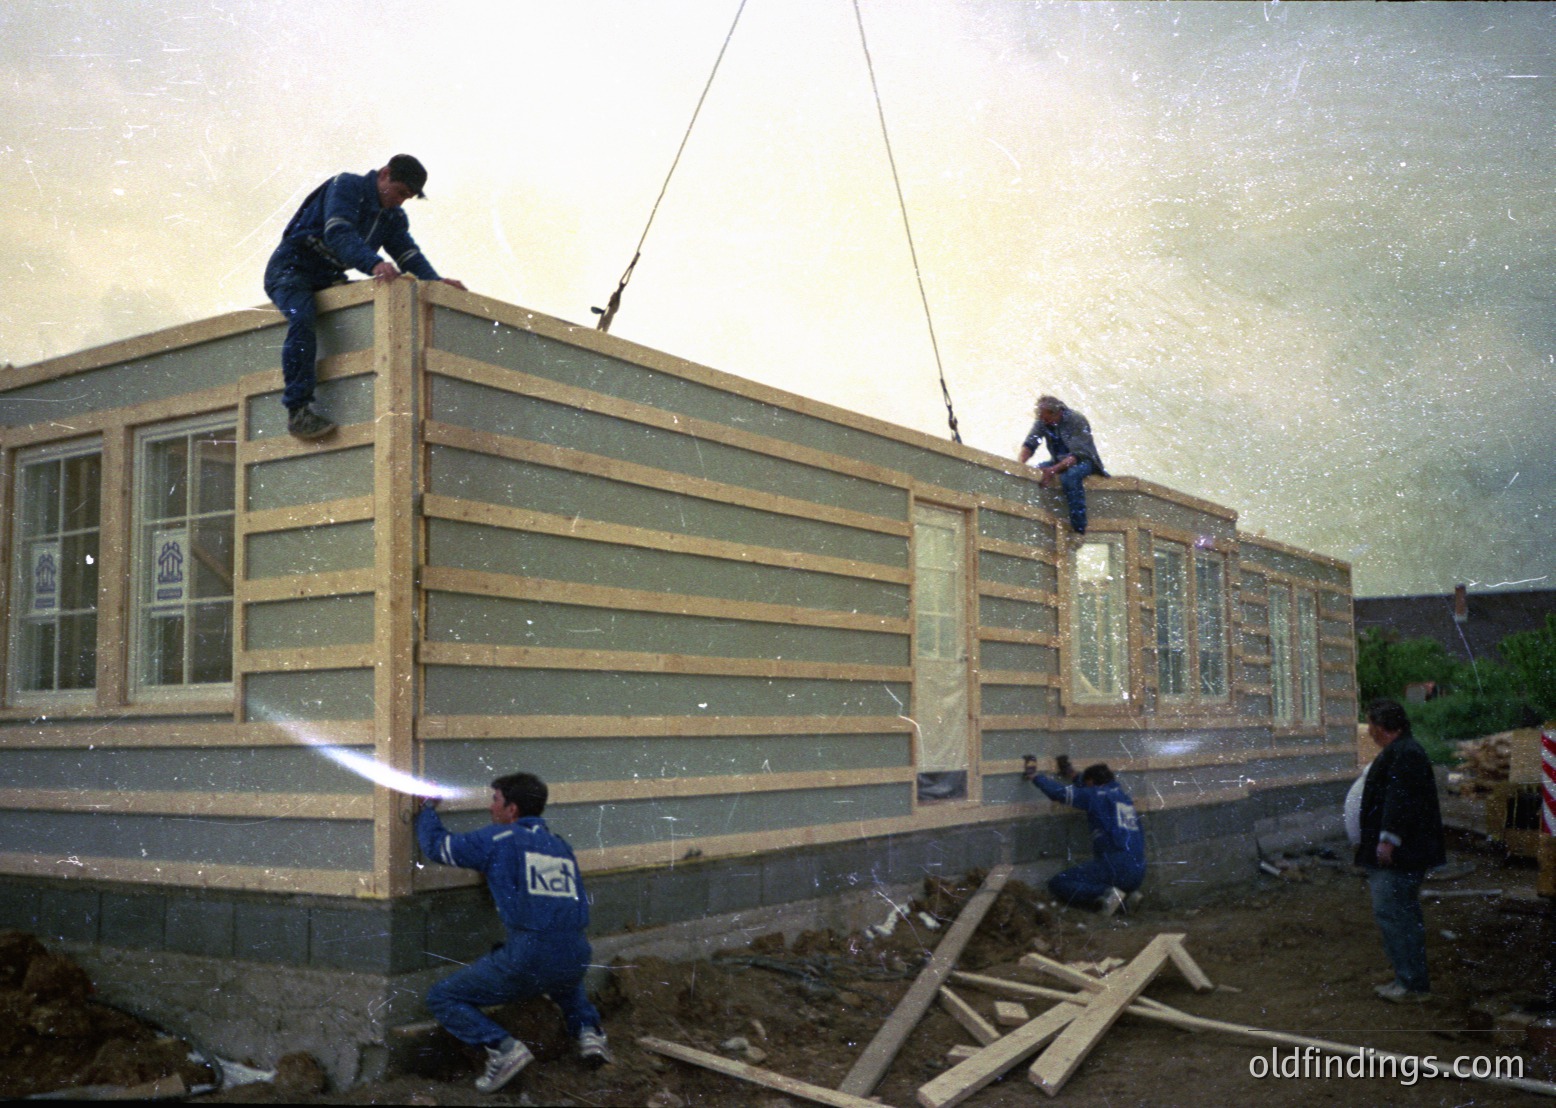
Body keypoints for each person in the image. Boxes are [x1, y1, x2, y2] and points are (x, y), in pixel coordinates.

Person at [415, 773, 609, 1094]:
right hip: (576, 952)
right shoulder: (561, 846)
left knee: (443, 997)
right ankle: (590, 1033)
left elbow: (438, 846)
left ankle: (502, 1048)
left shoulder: (499, 839)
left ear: (512, 809)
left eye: (495, 800)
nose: (491, 808)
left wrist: (427, 809)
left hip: (528, 955)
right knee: (562, 979)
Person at [264, 155, 466, 440]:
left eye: (407, 197)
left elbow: (407, 253)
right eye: (400, 193)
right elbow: (339, 232)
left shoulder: (393, 217)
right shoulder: (346, 186)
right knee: (303, 317)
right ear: (384, 175)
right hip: (291, 270)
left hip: (326, 277)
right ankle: (298, 411)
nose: (401, 202)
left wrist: (435, 281)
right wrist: (373, 263)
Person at [1355, 698, 1446, 1003]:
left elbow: (1401, 800)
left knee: (1396, 914)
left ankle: (1410, 984)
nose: (1368, 732)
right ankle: (1408, 979)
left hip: (1400, 855)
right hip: (1404, 852)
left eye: (1371, 725)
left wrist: (1388, 839)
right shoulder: (1404, 751)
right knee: (1400, 914)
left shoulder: (1405, 754)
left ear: (1383, 727)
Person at [1024, 755, 1145, 915]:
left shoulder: (1094, 794)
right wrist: (1071, 773)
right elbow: (1089, 786)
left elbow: (1058, 793)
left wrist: (1034, 776)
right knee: (1103, 876)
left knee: (1059, 882)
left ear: (1091, 783)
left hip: (1115, 865)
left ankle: (1107, 894)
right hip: (1138, 870)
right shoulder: (1122, 796)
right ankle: (1128, 896)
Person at [1017, 395, 1107, 535]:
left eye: (1047, 419)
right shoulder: (1043, 421)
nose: (1044, 423)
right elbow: (1030, 444)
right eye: (1042, 419)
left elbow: (1077, 455)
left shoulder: (1076, 420)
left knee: (1070, 477)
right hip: (1059, 460)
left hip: (1084, 460)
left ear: (1057, 413)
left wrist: (1052, 470)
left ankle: (1078, 526)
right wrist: (1020, 464)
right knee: (1037, 471)